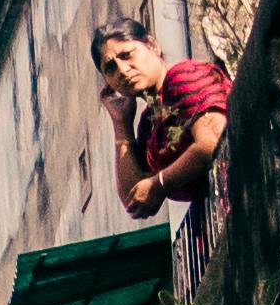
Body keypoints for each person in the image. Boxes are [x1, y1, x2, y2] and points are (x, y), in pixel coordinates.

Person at [95, 22, 229, 216]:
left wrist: (159, 184)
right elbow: (133, 200)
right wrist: (121, 124)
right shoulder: (149, 124)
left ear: (152, 45)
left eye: (126, 55)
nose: (123, 70)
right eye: (110, 68)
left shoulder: (183, 76)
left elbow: (212, 141)